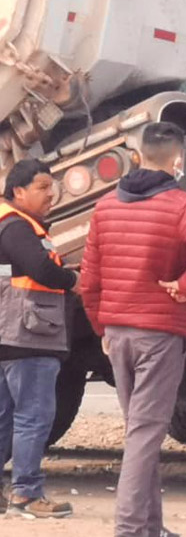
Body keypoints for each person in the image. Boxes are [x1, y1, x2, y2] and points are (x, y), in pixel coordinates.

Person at [81, 122, 186, 537]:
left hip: (118, 332)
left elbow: (89, 279)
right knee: (145, 435)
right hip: (159, 332)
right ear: (178, 161)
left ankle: (150, 526)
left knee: (139, 432)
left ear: (138, 156)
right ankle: (130, 529)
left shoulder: (106, 206)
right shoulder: (183, 206)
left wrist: (102, 328)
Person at [0, 159, 79, 519]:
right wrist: (72, 280)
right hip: (30, 335)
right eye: (43, 187)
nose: (52, 194)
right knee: (34, 416)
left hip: (10, 336)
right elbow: (41, 269)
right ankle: (26, 494)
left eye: (52, 186)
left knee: (6, 416)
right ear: (18, 191)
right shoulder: (17, 228)